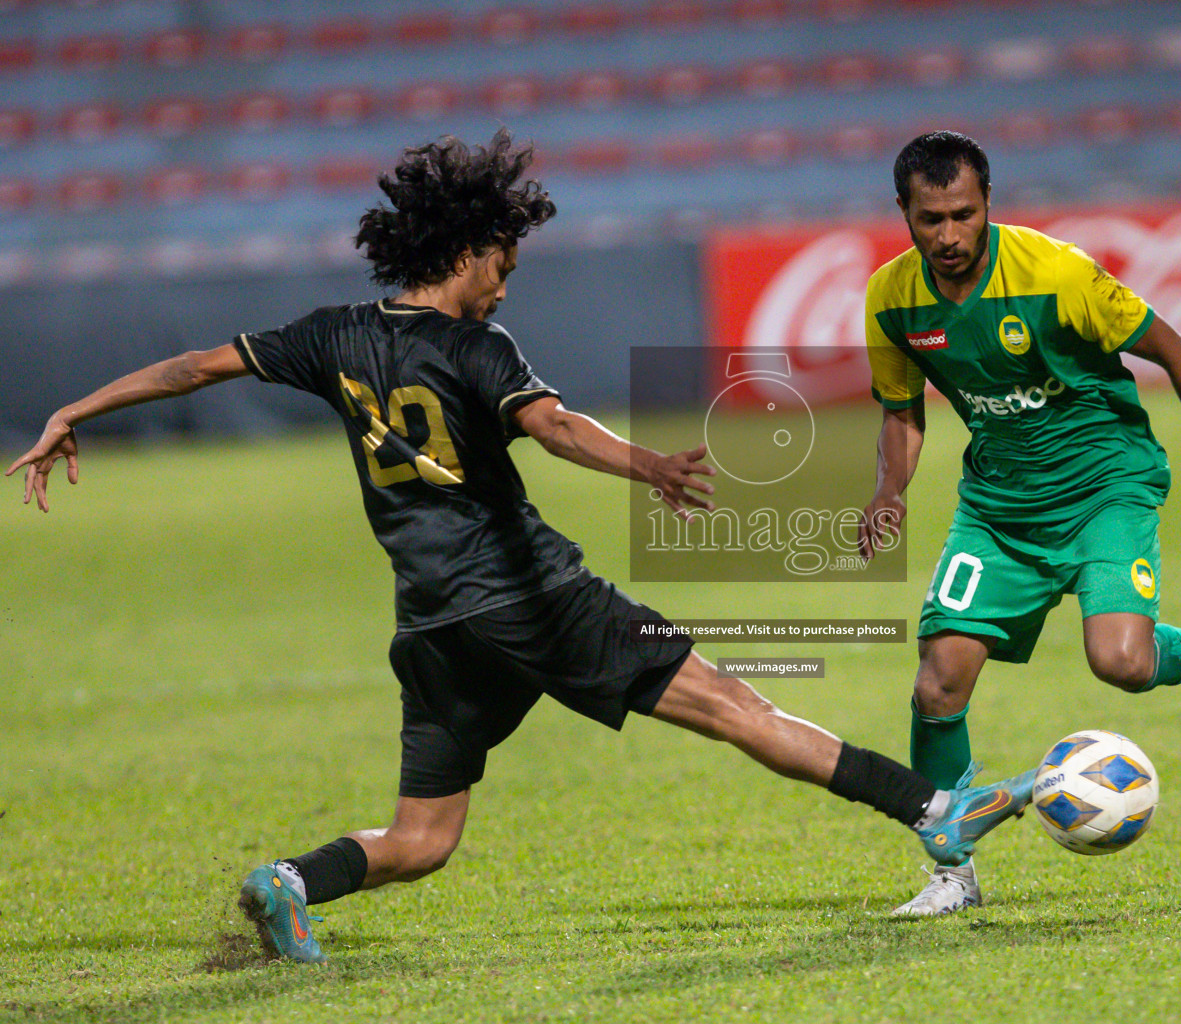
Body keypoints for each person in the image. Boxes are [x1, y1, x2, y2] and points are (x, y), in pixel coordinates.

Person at [8, 131, 1039, 964]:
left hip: (435, 621)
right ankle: (936, 810)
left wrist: (75, 408)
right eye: (503, 262)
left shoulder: (330, 333)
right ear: (467, 250)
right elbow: (550, 426)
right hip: (532, 595)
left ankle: (292, 880)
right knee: (735, 705)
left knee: (421, 840)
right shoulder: (476, 346)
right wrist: (652, 469)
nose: (506, 283)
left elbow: (196, 367)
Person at [857, 131, 1181, 919]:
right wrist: (890, 490)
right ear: (903, 214)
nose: (948, 236)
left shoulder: (1056, 274)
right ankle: (954, 870)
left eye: (963, 214)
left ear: (989, 205)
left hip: (1104, 485)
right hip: (999, 508)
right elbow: (901, 411)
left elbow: (1177, 354)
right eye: (929, 219)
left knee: (1119, 660)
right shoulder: (891, 298)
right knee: (938, 679)